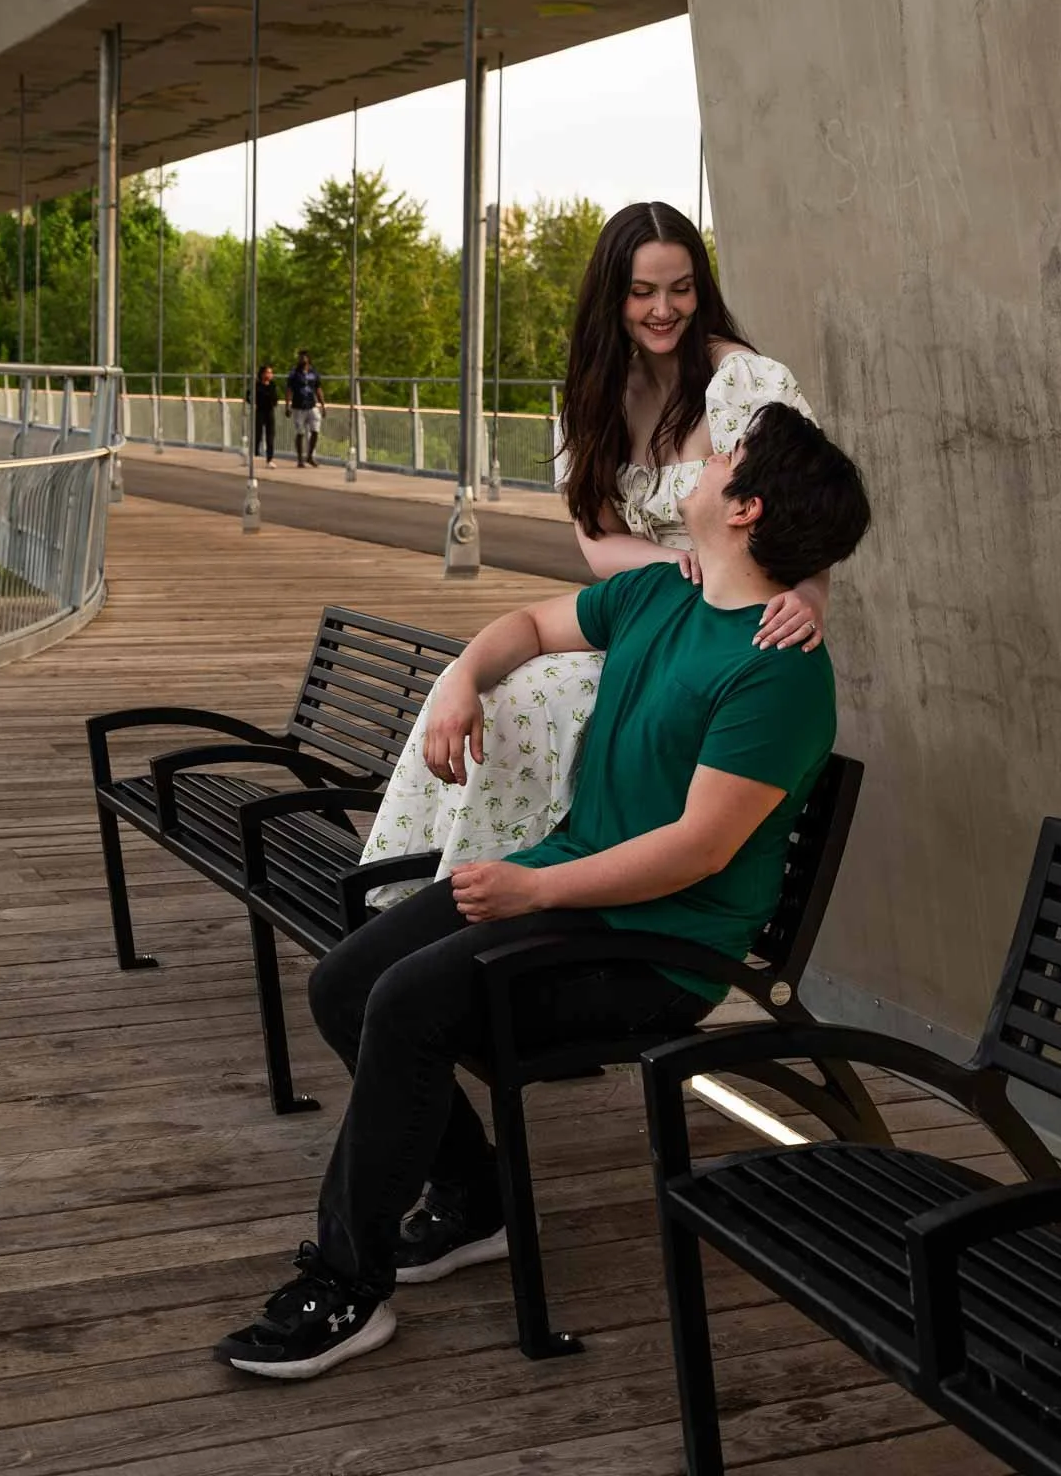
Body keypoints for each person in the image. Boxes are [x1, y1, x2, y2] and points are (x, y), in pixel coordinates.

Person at [213, 401, 872, 1379]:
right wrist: (458, 684)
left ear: (746, 508)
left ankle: (349, 1287)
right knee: (344, 986)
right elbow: (524, 624)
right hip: (565, 886)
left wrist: (533, 888)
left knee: (407, 1005)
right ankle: (477, 1205)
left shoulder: (776, 674)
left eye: (722, 458)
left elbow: (695, 850)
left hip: (655, 947)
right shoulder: (661, 598)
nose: (699, 464)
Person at [360, 200, 827, 897]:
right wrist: (675, 570)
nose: (662, 309)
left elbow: (804, 496)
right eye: (641, 292)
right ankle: (428, 890)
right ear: (612, 295)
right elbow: (597, 539)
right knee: (494, 686)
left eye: (680, 288)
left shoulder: (743, 383)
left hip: (726, 624)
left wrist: (809, 595)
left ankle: (494, 893)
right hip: (641, 605)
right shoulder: (596, 393)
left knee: (537, 695)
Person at [285, 349, 326, 468]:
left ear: (308, 358)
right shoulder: (294, 373)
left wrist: (323, 405)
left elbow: (318, 389)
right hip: (298, 406)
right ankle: (300, 459)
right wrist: (287, 405)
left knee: (315, 430)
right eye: (300, 357)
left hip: (311, 405)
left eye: (304, 357)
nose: (302, 359)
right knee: (300, 432)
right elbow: (289, 389)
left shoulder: (314, 372)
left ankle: (310, 456)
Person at [252, 363, 279, 468]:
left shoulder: (272, 385)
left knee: (270, 436)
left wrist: (273, 401)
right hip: (260, 411)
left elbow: (275, 398)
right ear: (262, 374)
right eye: (267, 372)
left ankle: (270, 458)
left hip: (270, 411)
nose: (269, 375)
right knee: (258, 434)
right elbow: (250, 396)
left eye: (271, 373)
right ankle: (255, 453)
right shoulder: (257, 385)